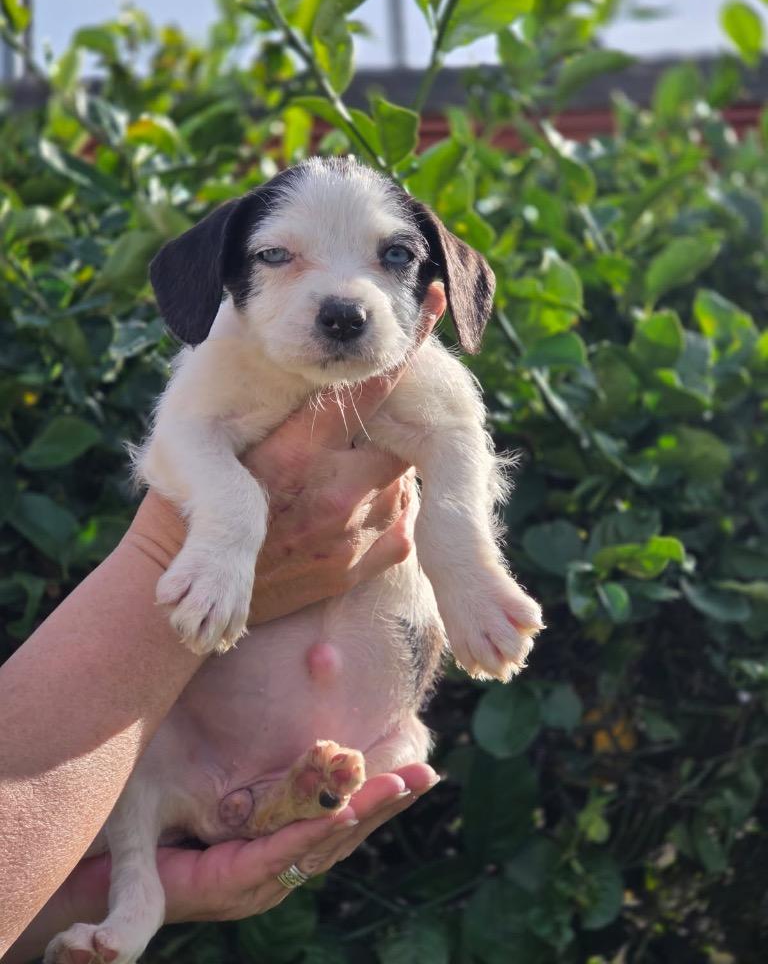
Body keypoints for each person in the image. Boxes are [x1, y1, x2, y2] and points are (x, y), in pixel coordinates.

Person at [1, 290, 445, 961]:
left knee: (402, 753)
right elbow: (181, 441)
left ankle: (153, 889)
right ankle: (138, 898)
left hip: (353, 732)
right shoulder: (231, 368)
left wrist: (67, 902)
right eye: (281, 259)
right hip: (189, 743)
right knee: (140, 771)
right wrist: (169, 551)